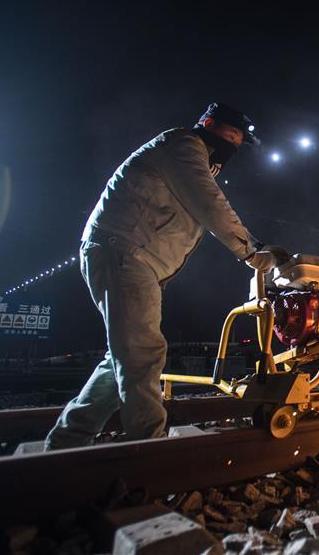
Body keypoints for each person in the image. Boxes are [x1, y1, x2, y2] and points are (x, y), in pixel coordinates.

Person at [46, 102, 288, 450]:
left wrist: (256, 246)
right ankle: (150, 451)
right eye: (231, 134)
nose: (235, 144)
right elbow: (210, 203)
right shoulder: (183, 145)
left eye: (239, 140)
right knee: (143, 353)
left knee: (125, 357)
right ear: (208, 123)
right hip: (125, 251)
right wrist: (252, 251)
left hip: (130, 255)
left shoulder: (192, 156)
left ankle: (64, 444)